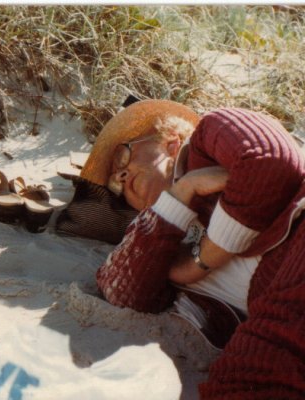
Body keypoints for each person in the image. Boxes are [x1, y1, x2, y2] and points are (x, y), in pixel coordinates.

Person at [80, 99, 305, 399]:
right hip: (279, 328)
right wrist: (180, 194)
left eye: (123, 156)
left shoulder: (211, 133)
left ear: (170, 139)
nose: (120, 177)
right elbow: (122, 292)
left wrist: (198, 263)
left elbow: (270, 163)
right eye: (115, 185)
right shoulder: (160, 235)